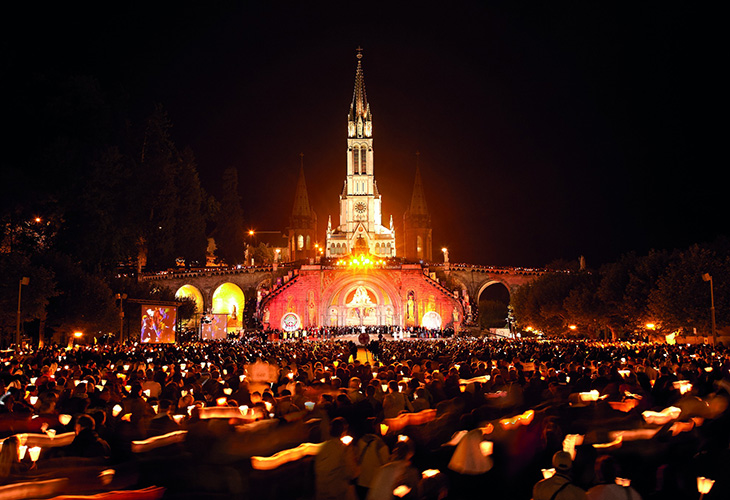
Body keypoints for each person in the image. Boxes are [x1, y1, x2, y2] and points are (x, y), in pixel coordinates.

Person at [314, 417, 360, 500]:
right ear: (343, 431)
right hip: (337, 493)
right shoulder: (344, 449)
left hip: (322, 492)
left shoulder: (322, 448)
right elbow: (351, 472)